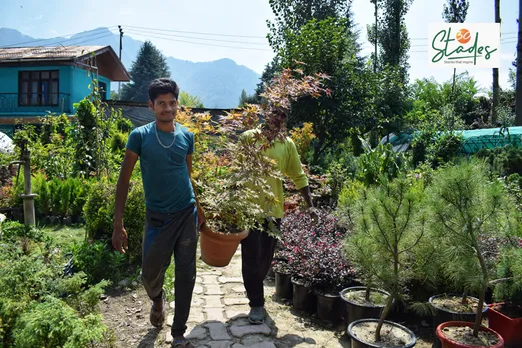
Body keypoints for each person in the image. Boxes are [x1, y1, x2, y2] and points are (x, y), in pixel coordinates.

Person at [112, 78, 205, 348]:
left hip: (186, 215)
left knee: (186, 275)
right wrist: (118, 224)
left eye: (172, 103)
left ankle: (178, 332)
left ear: (178, 104)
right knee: (149, 274)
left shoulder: (187, 136)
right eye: (161, 104)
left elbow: (187, 175)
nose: (167, 108)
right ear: (151, 105)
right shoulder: (139, 136)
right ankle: (157, 299)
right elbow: (124, 180)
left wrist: (199, 209)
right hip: (157, 217)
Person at [241, 107, 316, 325]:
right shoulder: (248, 138)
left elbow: (298, 176)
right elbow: (236, 170)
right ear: (265, 113)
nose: (278, 118)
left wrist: (310, 205)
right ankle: (256, 303)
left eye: (283, 115)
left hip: (273, 211)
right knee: (251, 256)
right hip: (249, 209)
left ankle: (255, 289)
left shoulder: (287, 144)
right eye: (275, 113)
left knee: (265, 259)